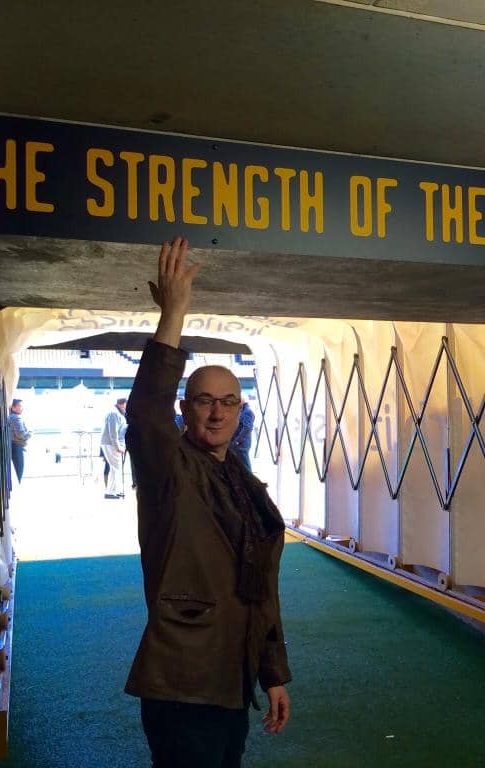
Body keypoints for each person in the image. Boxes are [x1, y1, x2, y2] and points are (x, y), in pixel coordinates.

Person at [124, 237, 291, 767]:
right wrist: (173, 314)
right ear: (185, 408)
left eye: (229, 402)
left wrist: (273, 675)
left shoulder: (242, 478)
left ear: (242, 409)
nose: (218, 414)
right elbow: (146, 416)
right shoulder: (170, 472)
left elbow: (259, 587)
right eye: (204, 402)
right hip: (181, 684)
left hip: (230, 681)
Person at [100, 397, 127, 499]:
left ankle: (115, 490)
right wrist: (118, 447)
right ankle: (111, 492)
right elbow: (113, 432)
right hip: (111, 444)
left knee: (115, 467)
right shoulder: (114, 413)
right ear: (122, 404)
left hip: (111, 443)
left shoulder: (116, 412)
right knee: (116, 467)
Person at [8, 399, 31, 483]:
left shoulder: (11, 417)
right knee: (19, 472)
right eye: (20, 406)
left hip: (13, 446)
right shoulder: (16, 418)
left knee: (16, 471)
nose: (22, 408)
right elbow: (21, 434)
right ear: (13, 408)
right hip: (17, 447)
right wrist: (29, 434)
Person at [229, 400, 255, 471]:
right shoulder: (241, 411)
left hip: (241, 445)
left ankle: (250, 481)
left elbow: (247, 428)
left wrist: (237, 441)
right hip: (237, 444)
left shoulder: (248, 412)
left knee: (246, 466)